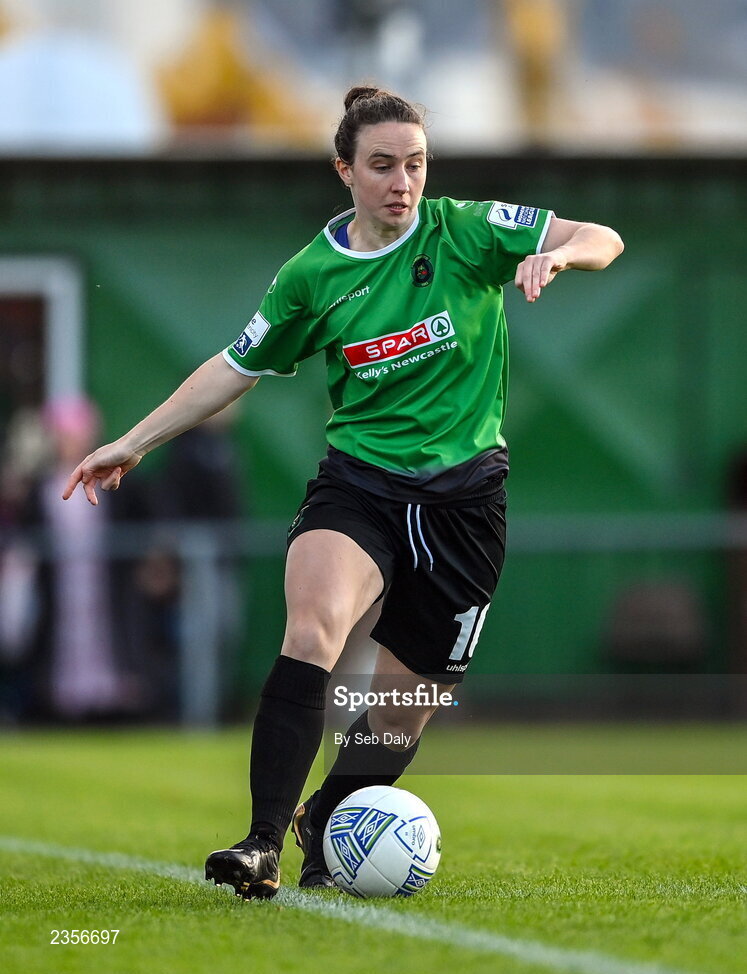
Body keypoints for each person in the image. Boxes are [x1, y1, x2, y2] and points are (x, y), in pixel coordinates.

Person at [63, 86, 623, 899]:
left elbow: (601, 236)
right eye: (383, 165)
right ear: (345, 170)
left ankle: (324, 815)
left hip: (467, 504)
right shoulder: (313, 275)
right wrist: (131, 441)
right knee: (313, 630)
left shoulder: (465, 230)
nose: (403, 182)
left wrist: (561, 254)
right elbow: (234, 366)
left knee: (401, 715)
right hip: (358, 487)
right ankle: (259, 846)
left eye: (416, 164)